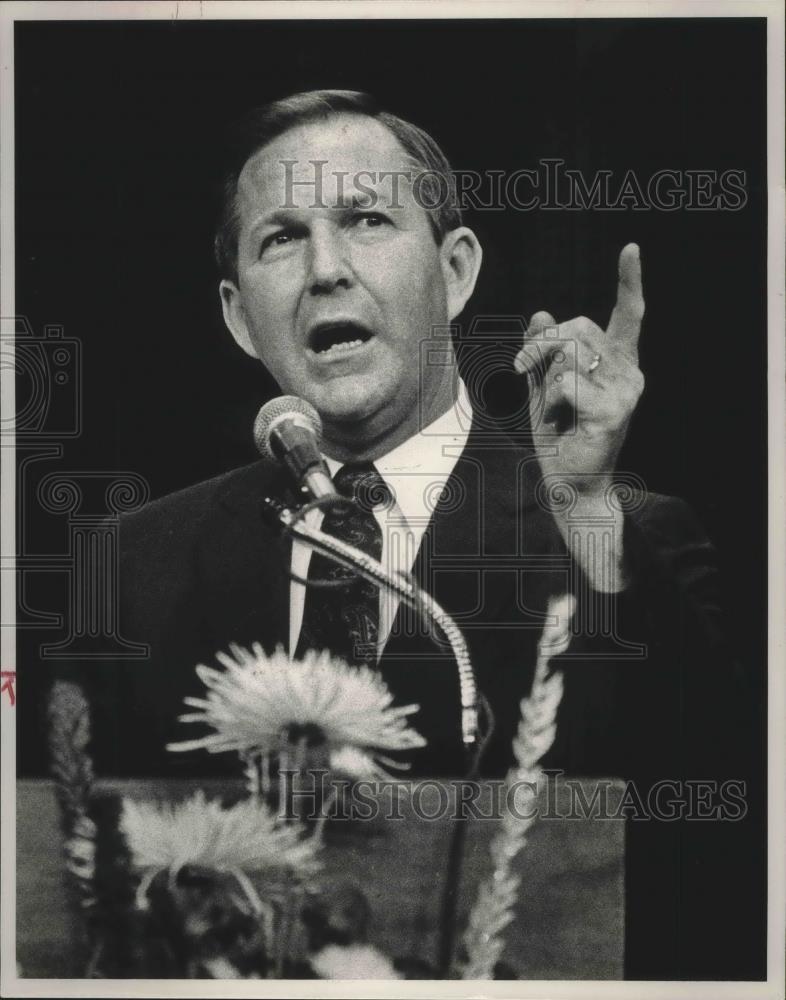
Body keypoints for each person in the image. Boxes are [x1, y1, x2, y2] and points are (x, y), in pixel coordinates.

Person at [107, 90, 749, 977]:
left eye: (366, 218)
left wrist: (587, 510)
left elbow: (723, 829)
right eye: (281, 239)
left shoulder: (612, 531)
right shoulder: (134, 567)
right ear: (237, 313)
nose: (324, 268)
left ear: (454, 271)